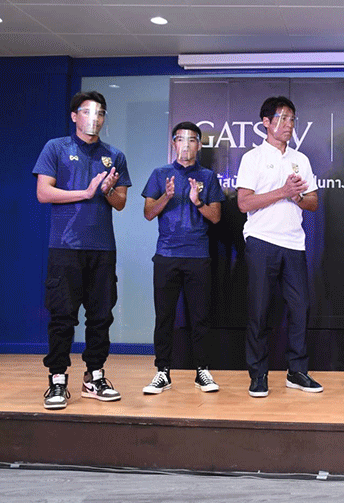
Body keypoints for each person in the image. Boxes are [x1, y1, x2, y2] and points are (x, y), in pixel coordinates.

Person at [33, 91, 131, 410]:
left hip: (102, 248)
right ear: (75, 116)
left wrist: (107, 190)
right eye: (88, 112)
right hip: (65, 247)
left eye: (100, 113)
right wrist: (86, 192)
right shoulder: (56, 147)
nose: (95, 118)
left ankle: (94, 376)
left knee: (100, 316)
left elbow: (120, 202)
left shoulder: (114, 155)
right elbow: (44, 193)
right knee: (62, 315)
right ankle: (57, 379)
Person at [236, 96, 322, 398]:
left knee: (300, 309)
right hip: (262, 241)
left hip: (294, 243)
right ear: (266, 122)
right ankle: (258, 375)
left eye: (292, 119)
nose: (289, 125)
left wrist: (297, 197)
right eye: (283, 118)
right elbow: (244, 202)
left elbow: (313, 202)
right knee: (259, 311)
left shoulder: (301, 160)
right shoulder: (253, 158)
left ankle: (297, 371)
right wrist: (283, 191)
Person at [141, 122, 225, 395]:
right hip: (166, 255)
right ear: (174, 143)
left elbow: (216, 217)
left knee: (200, 317)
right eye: (181, 139)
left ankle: (202, 371)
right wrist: (166, 197)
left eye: (191, 140)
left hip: (198, 256)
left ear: (199, 145)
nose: (186, 145)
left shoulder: (208, 177)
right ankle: (162, 371)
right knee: (164, 317)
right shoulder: (160, 174)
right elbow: (148, 213)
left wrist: (197, 201)